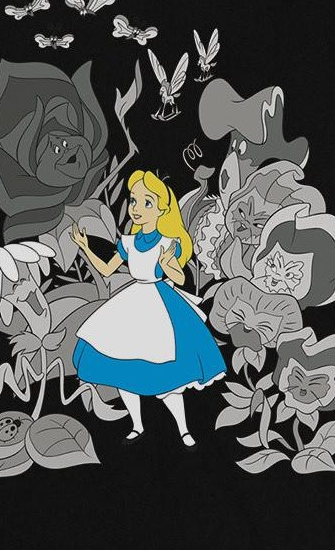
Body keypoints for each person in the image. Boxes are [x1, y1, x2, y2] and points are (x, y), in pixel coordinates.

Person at [71, 170, 226, 445]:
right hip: (130, 305)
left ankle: (183, 429)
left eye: (146, 203)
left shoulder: (168, 242)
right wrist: (86, 247)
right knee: (122, 370)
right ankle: (137, 425)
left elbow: (180, 278)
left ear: (161, 210)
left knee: (167, 373)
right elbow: (107, 270)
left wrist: (168, 266)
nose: (137, 208)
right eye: (133, 201)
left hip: (160, 304)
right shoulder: (129, 242)